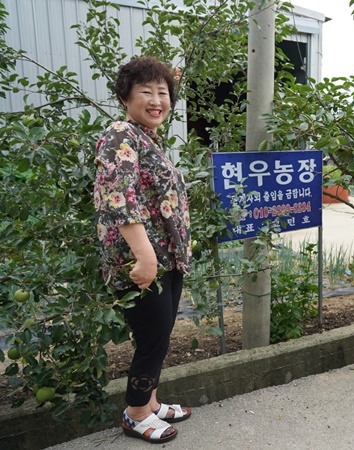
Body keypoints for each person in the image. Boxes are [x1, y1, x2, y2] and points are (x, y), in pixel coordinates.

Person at [94, 56, 193, 443]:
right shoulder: (120, 135)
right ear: (125, 96)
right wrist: (145, 256)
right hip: (142, 261)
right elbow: (119, 198)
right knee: (153, 338)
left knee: (161, 334)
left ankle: (150, 403)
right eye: (146, 92)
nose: (156, 100)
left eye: (163, 92)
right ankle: (136, 413)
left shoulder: (145, 137)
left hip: (165, 258)